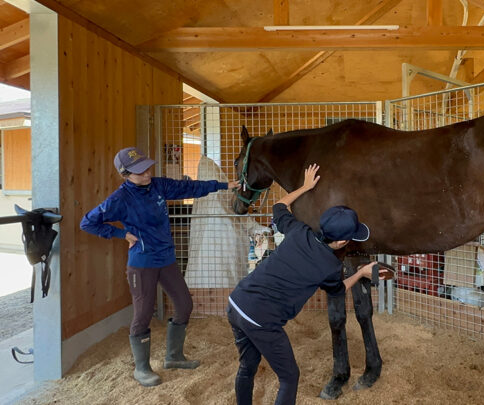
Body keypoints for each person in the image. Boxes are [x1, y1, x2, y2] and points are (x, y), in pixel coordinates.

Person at [227, 163, 387, 405]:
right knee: (289, 377)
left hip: (237, 302)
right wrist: (361, 273)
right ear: (341, 242)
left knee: (247, 366)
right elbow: (338, 290)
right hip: (262, 319)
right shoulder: (329, 266)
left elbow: (279, 206)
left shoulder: (299, 231)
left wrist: (305, 187)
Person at [80, 146, 240, 387]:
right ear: (125, 174)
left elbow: (189, 188)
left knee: (184, 304)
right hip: (142, 263)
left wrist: (223, 185)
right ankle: (142, 368)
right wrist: (121, 234)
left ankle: (174, 356)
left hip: (166, 260)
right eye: (139, 171)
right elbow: (87, 222)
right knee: (143, 314)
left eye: (147, 168)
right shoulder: (119, 199)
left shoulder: (158, 185)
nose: (147, 174)